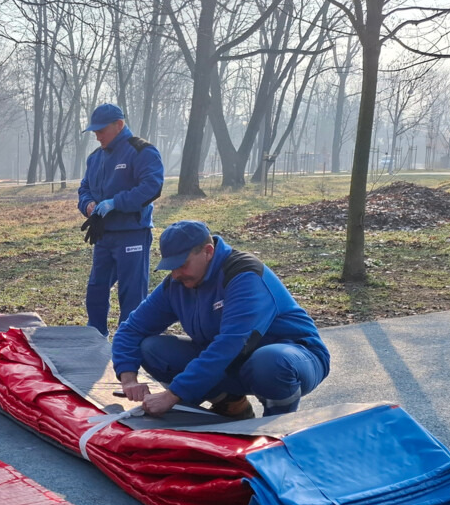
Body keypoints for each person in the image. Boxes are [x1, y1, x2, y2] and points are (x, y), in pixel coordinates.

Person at [112, 220, 330, 418]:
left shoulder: (244, 275)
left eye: (182, 264)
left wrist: (173, 395)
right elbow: (132, 329)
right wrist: (128, 379)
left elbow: (231, 344)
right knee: (152, 349)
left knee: (269, 361)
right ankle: (232, 406)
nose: (176, 274)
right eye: (171, 267)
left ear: (208, 251)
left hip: (294, 359)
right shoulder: (177, 284)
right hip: (233, 361)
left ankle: (277, 424)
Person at [77, 103, 165, 337]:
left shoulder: (142, 151)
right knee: (96, 287)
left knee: (131, 292)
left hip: (132, 233)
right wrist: (88, 204)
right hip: (103, 234)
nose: (97, 137)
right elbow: (84, 188)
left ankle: (129, 339)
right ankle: (95, 335)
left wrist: (116, 202)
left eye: (101, 131)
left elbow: (152, 186)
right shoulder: (95, 158)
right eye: (94, 132)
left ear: (119, 125)